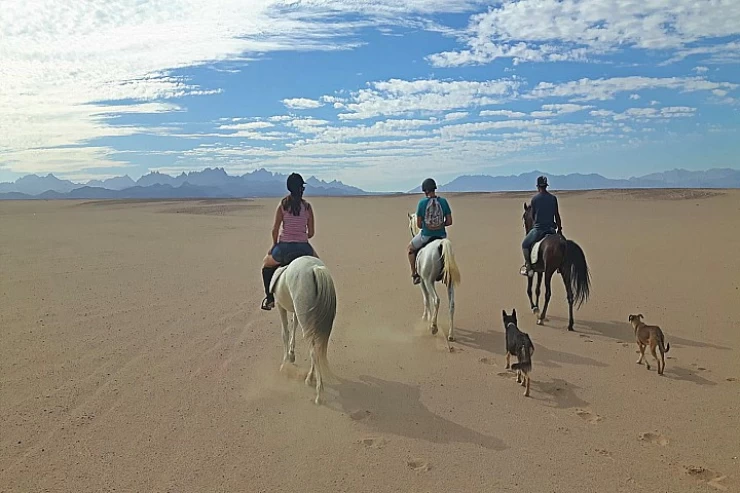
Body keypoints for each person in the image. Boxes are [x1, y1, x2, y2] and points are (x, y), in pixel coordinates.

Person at [260, 173, 318, 310]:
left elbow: (274, 230)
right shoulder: (307, 207)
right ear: (301, 189)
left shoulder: (283, 205)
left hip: (284, 248)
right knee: (320, 268)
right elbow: (311, 233)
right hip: (303, 248)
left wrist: (274, 244)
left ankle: (269, 299)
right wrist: (302, 235)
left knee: (266, 266)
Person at [408, 178, 452, 285]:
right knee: (448, 251)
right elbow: (450, 221)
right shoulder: (443, 202)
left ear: (425, 191)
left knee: (410, 249)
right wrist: (441, 225)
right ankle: (448, 273)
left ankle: (415, 274)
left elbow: (418, 225)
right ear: (434, 189)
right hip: (441, 236)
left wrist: (429, 227)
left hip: (426, 236)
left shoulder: (422, 203)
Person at [520, 175, 562, 276]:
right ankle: (560, 266)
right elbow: (557, 215)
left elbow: (533, 217)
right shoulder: (553, 198)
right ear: (546, 186)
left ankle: (528, 266)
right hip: (551, 230)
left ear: (538, 187)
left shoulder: (535, 199)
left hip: (539, 229)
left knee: (525, 244)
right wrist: (559, 229)